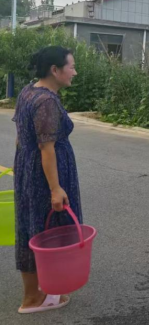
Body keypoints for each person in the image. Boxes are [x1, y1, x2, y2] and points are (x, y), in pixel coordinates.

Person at [13, 46, 81, 313]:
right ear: (55, 70)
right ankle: (34, 298)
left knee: (31, 227)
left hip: (29, 169)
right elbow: (46, 148)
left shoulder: (28, 91)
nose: (75, 72)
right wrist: (55, 188)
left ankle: (37, 292)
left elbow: (20, 135)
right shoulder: (46, 101)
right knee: (47, 230)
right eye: (71, 67)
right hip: (46, 175)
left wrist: (23, 169)